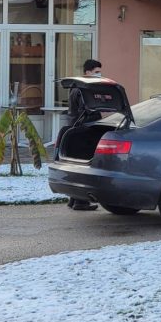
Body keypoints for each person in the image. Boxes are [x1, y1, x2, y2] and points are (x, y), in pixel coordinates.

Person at [64, 58, 104, 212]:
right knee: (84, 166)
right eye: (96, 72)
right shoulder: (83, 90)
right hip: (84, 131)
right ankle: (81, 202)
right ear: (88, 72)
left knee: (77, 165)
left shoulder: (77, 87)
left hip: (77, 130)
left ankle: (74, 199)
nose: (99, 75)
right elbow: (86, 111)